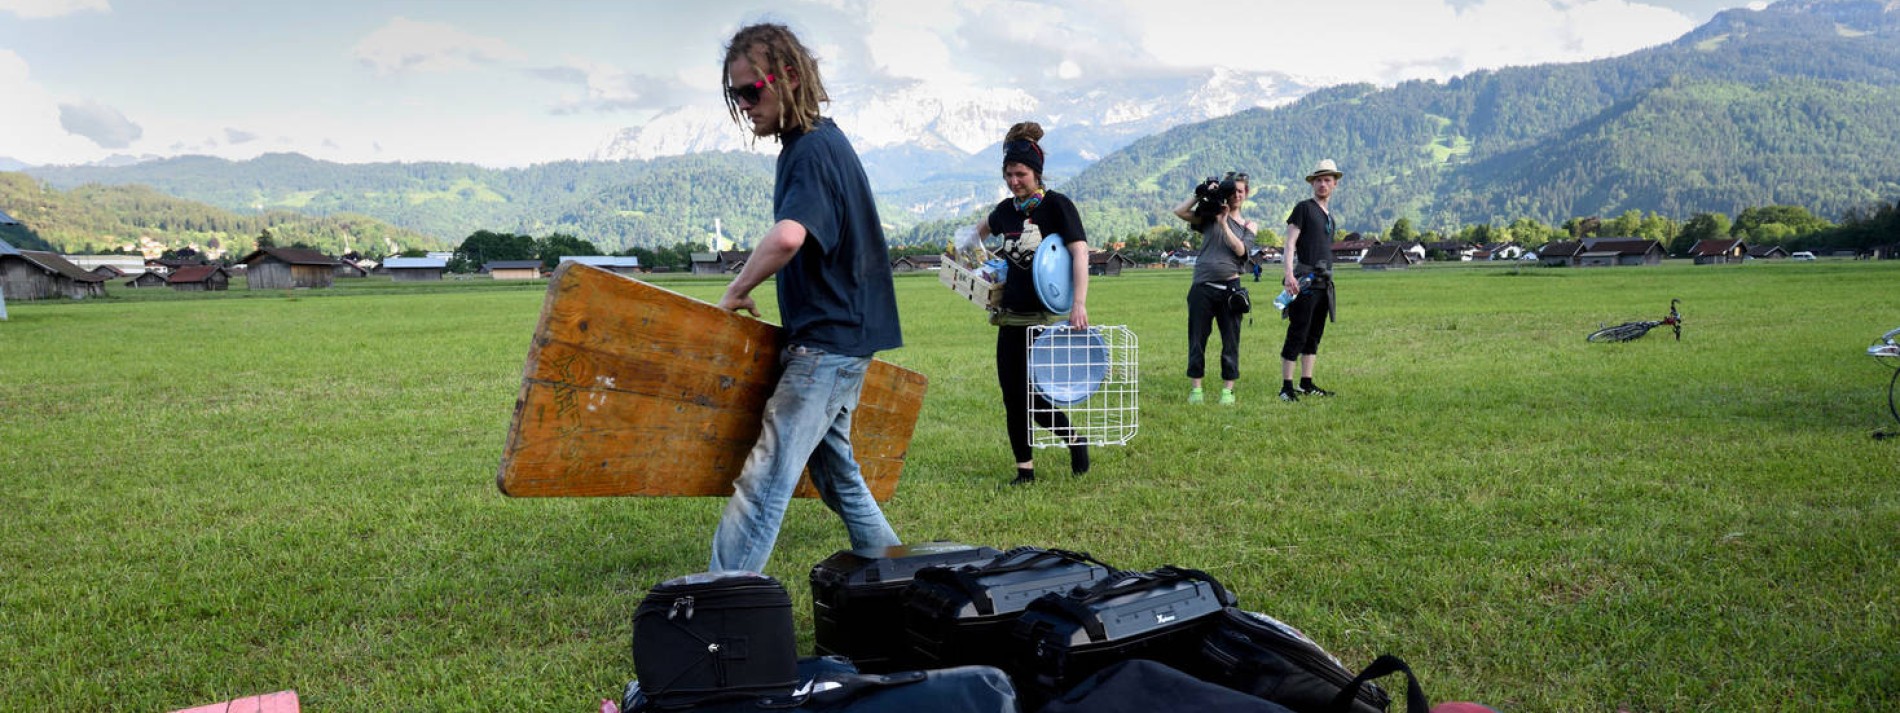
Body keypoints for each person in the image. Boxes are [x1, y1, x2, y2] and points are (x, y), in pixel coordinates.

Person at [708, 22, 902, 572]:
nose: (745, 105)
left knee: (766, 476)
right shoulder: (819, 142)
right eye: (735, 95)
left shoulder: (810, 150)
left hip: (827, 343)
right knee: (836, 474)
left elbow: (790, 235)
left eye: (751, 90)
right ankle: (900, 574)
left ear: (788, 76)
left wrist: (736, 288)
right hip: (842, 337)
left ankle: (720, 600)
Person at [974, 122, 1092, 486]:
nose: (1014, 181)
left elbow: (1079, 253)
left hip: (1041, 320)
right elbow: (976, 235)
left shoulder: (1057, 206)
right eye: (1008, 174)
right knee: (1012, 397)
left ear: (1036, 173)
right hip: (1008, 318)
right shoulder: (1005, 211)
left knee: (1035, 397)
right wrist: (971, 261)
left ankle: (1075, 440)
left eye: (1020, 174)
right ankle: (1024, 470)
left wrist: (1079, 303)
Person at [1171, 175, 1253, 405]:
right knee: (1197, 338)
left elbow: (1240, 250)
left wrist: (1224, 222)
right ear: (1227, 193)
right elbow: (1179, 211)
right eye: (1233, 190)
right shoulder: (1208, 218)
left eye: (1241, 191)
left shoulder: (1248, 225)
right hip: (1202, 288)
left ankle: (1228, 391)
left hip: (1230, 289)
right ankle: (1196, 390)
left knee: (1230, 341)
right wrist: (1201, 193)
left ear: (1245, 194)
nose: (1237, 194)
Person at [1278, 159, 1343, 402]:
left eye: (1327, 180)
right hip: (1304, 281)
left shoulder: (1330, 217)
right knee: (1298, 332)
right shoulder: (1303, 208)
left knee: (1314, 334)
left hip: (1324, 284)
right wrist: (1289, 274)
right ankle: (1286, 387)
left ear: (1335, 184)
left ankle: (1306, 383)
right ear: (1312, 183)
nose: (1322, 184)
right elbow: (1290, 243)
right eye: (1318, 180)